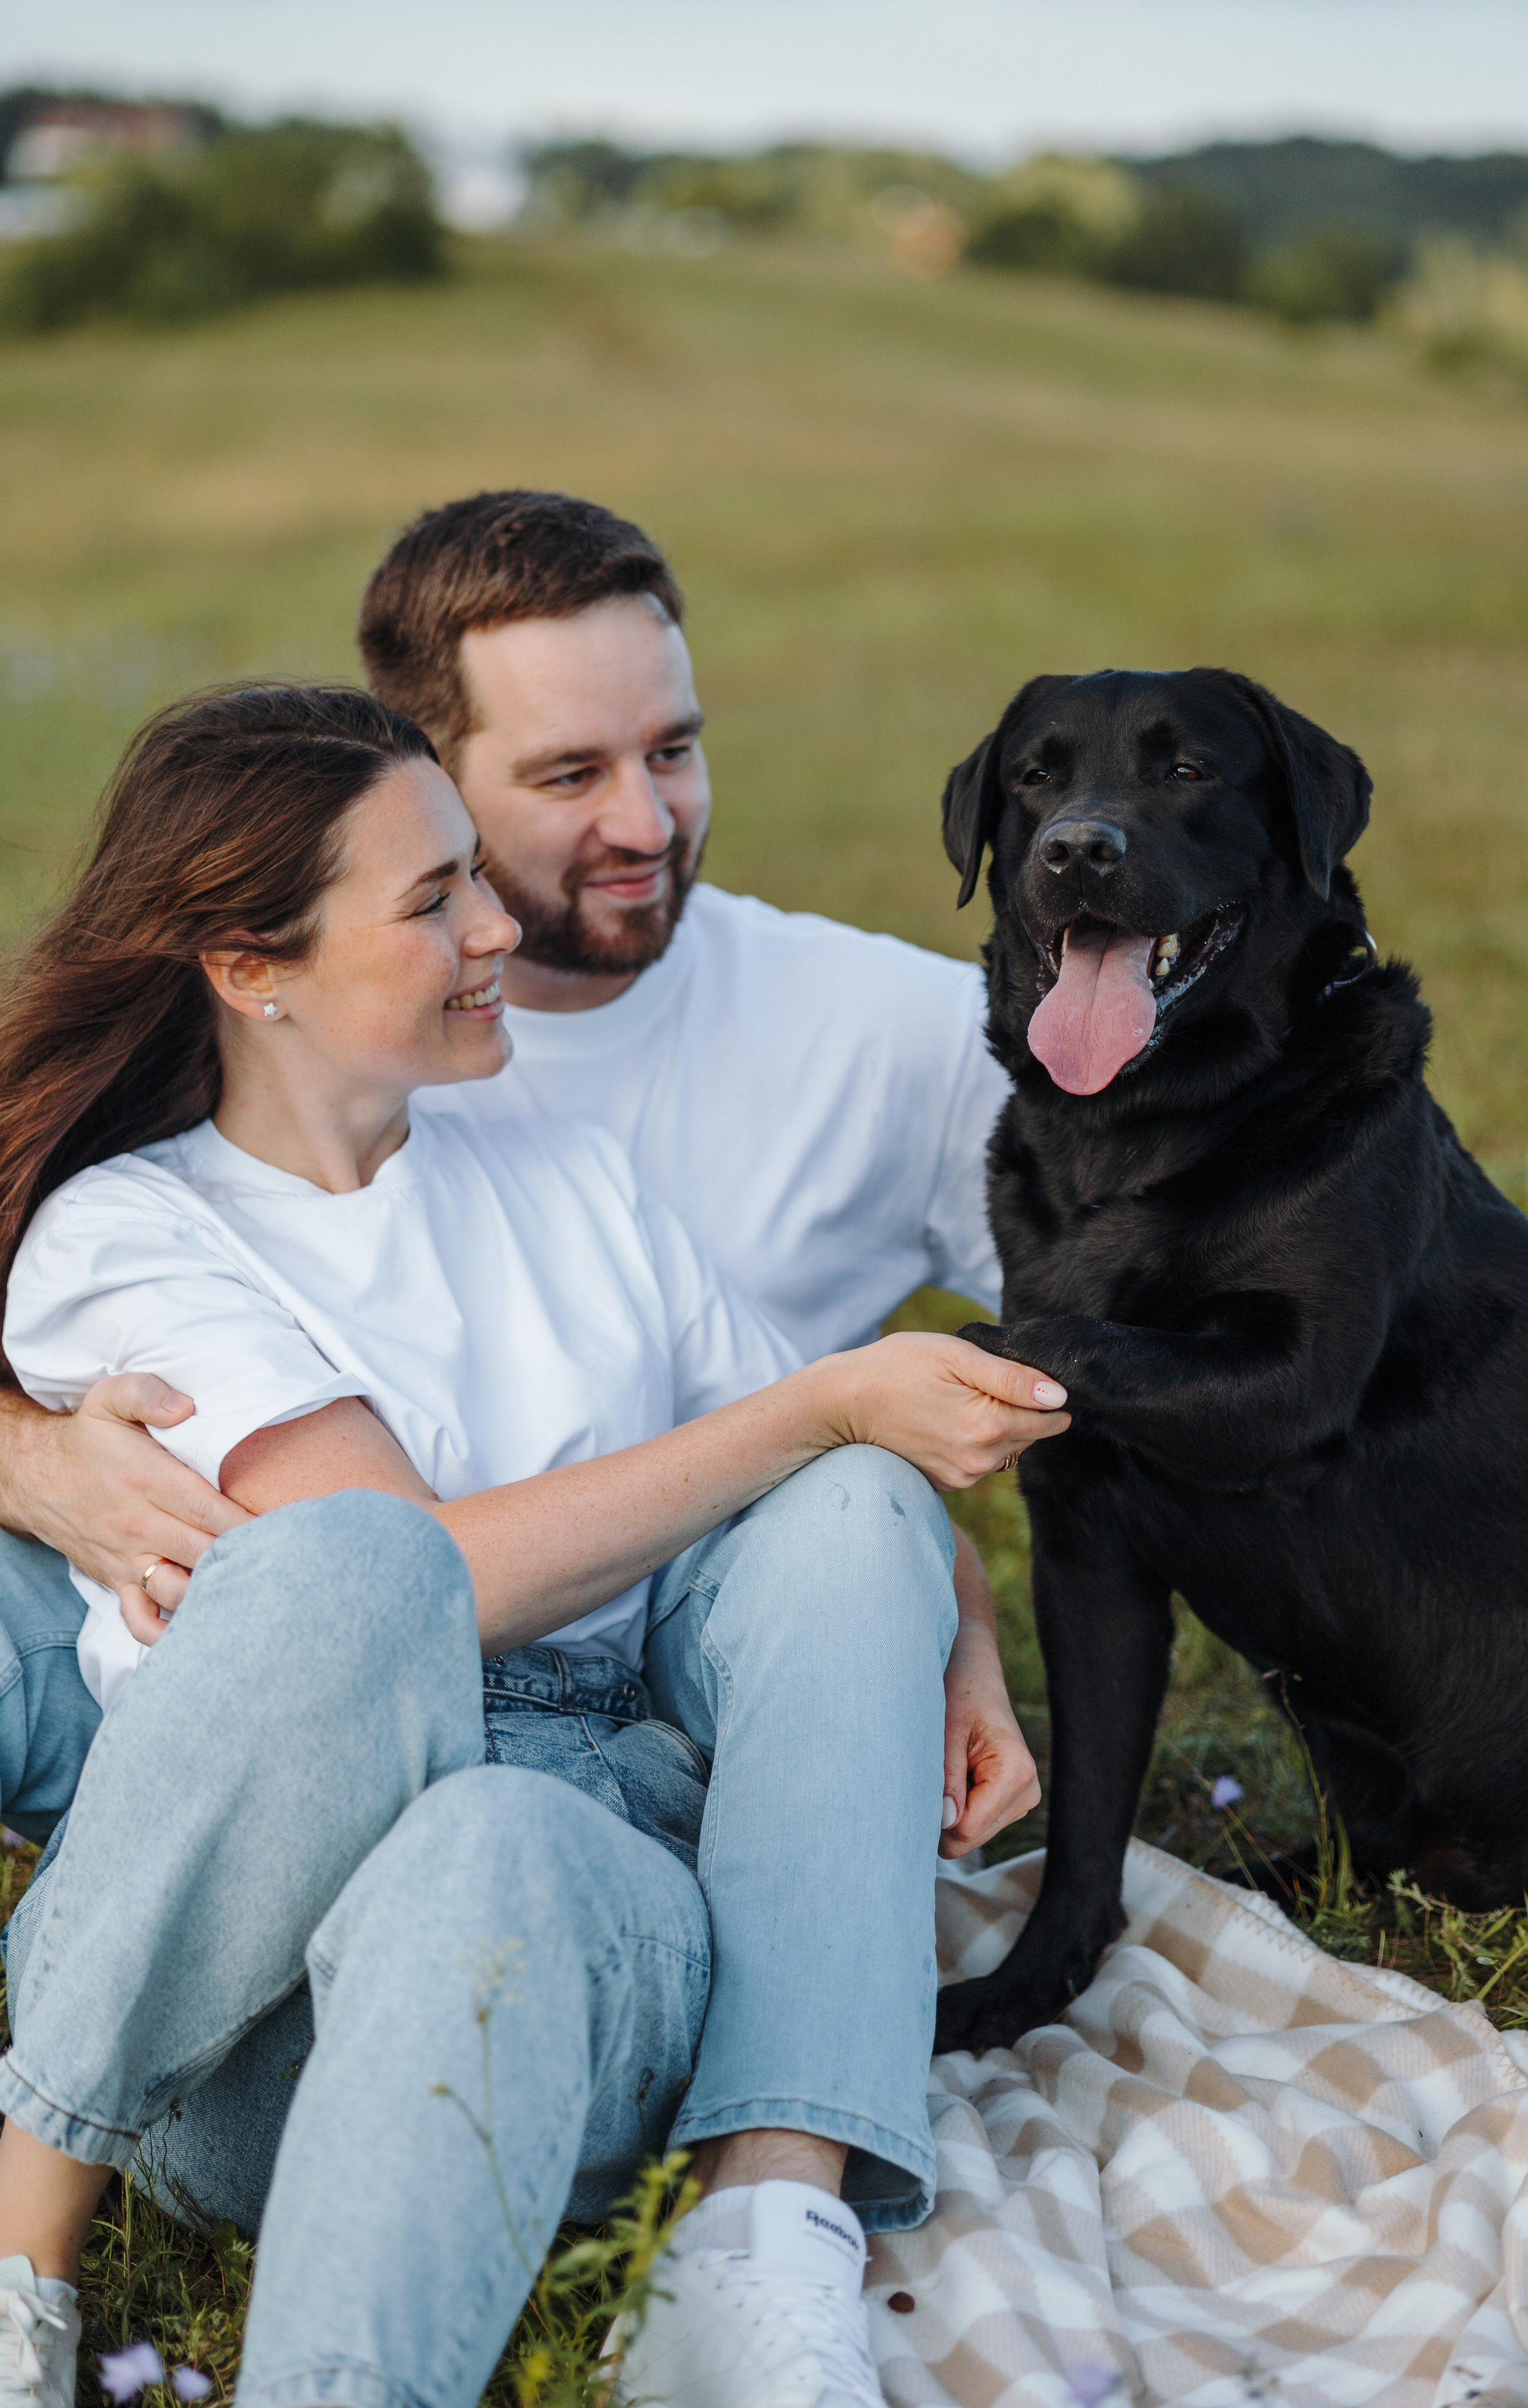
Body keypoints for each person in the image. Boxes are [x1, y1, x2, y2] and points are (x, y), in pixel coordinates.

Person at [0, 686, 1069, 2408]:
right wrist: (818, 1412)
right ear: (248, 965)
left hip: (581, 1940)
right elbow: (425, 1580)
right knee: (358, 1570)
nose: (500, 927)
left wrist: (957, 1647)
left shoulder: (549, 1160)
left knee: (835, 1524)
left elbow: (827, 1465)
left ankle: (763, 2238)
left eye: (477, 879)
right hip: (252, 1992)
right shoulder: (128, 1236)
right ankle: (16, 2245)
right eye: (433, 902)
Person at [0, 490, 1027, 1868]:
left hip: (664, 1665)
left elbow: (1139, 1316)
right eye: (566, 777)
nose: (647, 824)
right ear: (424, 777)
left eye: (671, 751)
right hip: (214, 1672)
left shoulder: (883, 1030)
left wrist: (952, 1638)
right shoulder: (304, 1042)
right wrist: (37, 1457)